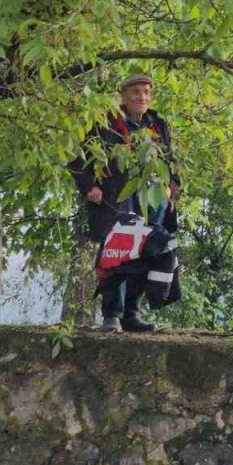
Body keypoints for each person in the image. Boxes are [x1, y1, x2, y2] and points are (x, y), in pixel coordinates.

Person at [69, 73, 179, 333]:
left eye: (146, 92)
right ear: (123, 97)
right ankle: (112, 315)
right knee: (118, 253)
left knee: (147, 252)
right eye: (136, 92)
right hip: (118, 197)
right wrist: (90, 187)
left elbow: (171, 164)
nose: (142, 97)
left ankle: (131, 313)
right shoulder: (105, 124)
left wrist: (171, 193)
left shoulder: (157, 124)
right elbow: (77, 160)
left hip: (153, 198)